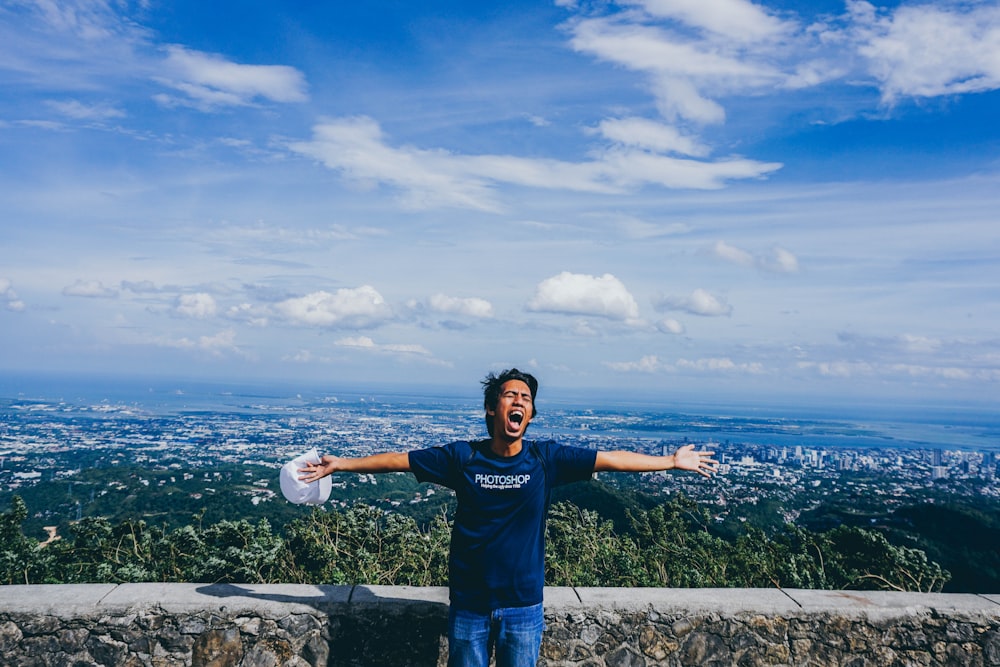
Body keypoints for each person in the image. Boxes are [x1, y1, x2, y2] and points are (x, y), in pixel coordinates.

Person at [299, 368, 718, 667]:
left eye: (526, 399)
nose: (519, 401)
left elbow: (611, 460)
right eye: (510, 395)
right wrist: (344, 464)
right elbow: (399, 461)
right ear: (490, 409)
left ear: (531, 416)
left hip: (523, 605)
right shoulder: (462, 457)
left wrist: (669, 462)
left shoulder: (545, 458)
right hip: (469, 605)